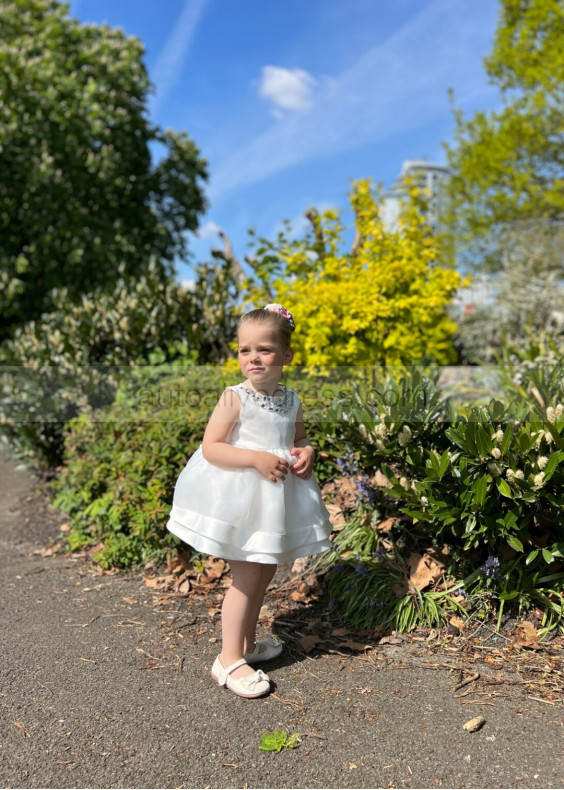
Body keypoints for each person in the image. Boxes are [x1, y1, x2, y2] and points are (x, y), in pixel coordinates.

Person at [167, 304, 332, 698]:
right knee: (245, 579)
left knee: (264, 572)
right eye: (245, 350)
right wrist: (255, 458)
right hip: (242, 500)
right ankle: (227, 660)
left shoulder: (291, 400)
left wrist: (307, 452)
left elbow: (299, 439)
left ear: (286, 355)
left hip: (276, 503)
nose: (253, 357)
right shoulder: (234, 397)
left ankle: (244, 644)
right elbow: (212, 448)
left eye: (264, 349)